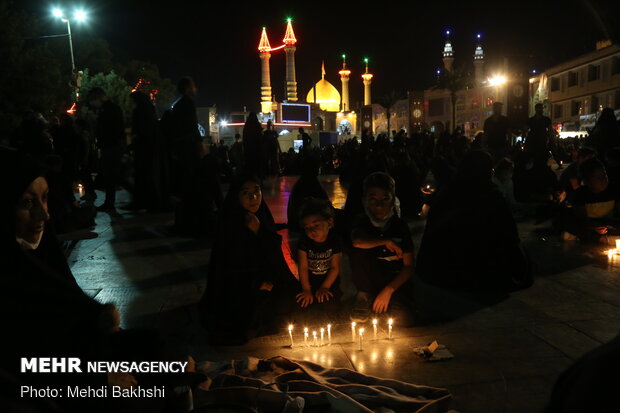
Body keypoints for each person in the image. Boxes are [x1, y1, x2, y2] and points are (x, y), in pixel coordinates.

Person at [416, 150, 532, 292]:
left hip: (438, 268)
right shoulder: (491, 196)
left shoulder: (447, 191)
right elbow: (510, 236)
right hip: (475, 268)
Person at [200, 174, 296, 345]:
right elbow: (228, 266)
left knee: (288, 302)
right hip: (238, 286)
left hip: (266, 279)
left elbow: (273, 256)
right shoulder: (230, 222)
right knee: (241, 321)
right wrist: (256, 283)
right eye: (246, 193)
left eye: (257, 191)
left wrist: (260, 231)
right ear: (236, 196)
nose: (253, 197)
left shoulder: (262, 215)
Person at [348, 172, 415, 325]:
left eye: (385, 199)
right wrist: (385, 241)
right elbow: (357, 242)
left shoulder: (400, 227)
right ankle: (364, 297)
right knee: (358, 249)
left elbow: (409, 267)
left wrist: (389, 290)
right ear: (364, 200)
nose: (379, 205)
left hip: (394, 283)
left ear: (393, 201)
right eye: (373, 199)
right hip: (369, 282)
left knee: (402, 320)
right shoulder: (361, 222)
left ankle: (388, 302)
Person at [295, 197, 342, 322]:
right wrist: (306, 289)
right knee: (303, 308)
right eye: (307, 228)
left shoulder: (334, 241)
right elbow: (303, 267)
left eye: (316, 225)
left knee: (331, 308)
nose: (312, 231)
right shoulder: (304, 242)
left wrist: (325, 287)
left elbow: (335, 267)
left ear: (329, 223)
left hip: (329, 284)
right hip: (310, 283)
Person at [555, 157, 619, 243]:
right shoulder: (581, 194)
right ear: (587, 181)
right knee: (573, 226)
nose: (603, 180)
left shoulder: (613, 190)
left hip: (607, 224)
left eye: (604, 175)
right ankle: (600, 239)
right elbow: (581, 220)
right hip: (589, 225)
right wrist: (594, 227)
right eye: (598, 178)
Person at [87, 87, 126, 211]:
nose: (93, 102)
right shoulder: (106, 109)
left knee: (112, 176)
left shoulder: (110, 109)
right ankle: (109, 203)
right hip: (109, 146)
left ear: (100, 96)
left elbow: (115, 129)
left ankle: (110, 203)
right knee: (111, 176)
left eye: (94, 99)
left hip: (111, 147)